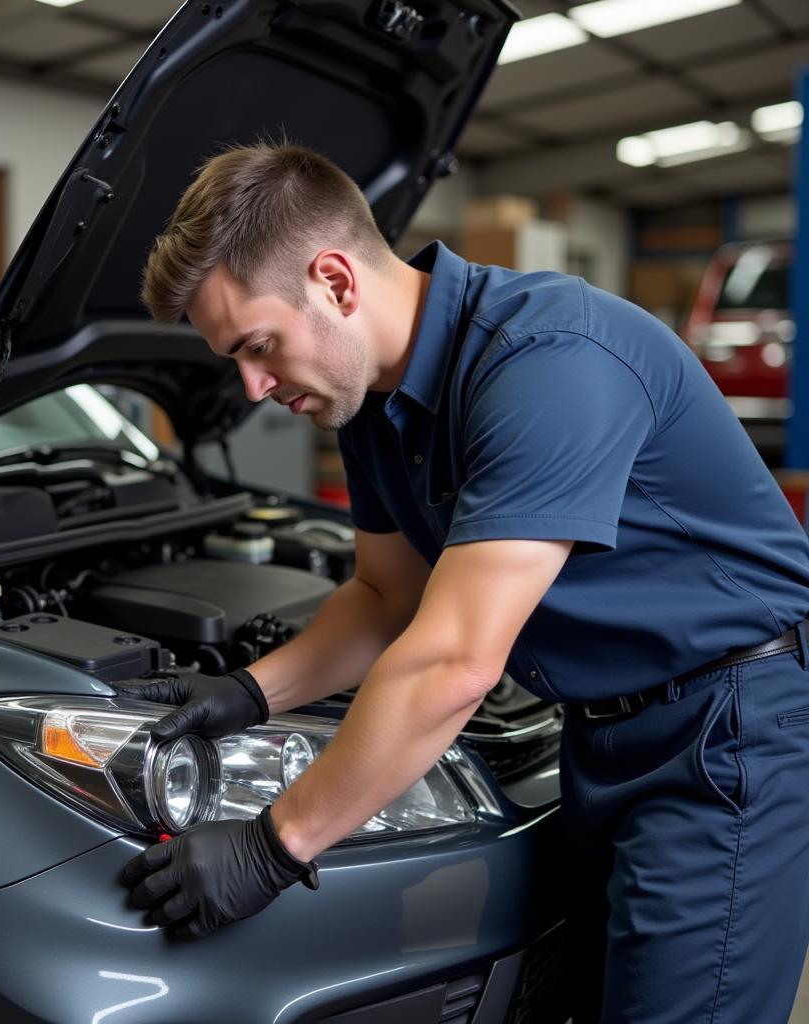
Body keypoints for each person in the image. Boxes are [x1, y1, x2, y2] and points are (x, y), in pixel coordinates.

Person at [121, 142, 809, 1023]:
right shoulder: (369, 400)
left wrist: (275, 844)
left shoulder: (546, 361)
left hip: (724, 730)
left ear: (334, 281)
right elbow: (384, 598)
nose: (252, 387)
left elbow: (452, 661)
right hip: (600, 736)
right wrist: (250, 694)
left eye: (258, 347)